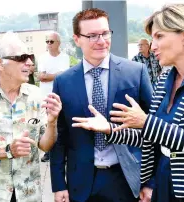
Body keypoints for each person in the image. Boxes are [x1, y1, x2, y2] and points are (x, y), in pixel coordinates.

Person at [72, 4, 184, 202]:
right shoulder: (166, 80)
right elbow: (151, 136)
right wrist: (110, 129)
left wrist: (145, 121)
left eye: (159, 36)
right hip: (166, 182)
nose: (153, 46)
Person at [50, 8, 153, 202]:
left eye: (105, 33)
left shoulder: (135, 72)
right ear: (77, 39)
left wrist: (150, 182)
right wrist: (58, 184)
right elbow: (60, 136)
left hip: (126, 179)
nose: (101, 40)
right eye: (92, 35)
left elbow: (153, 128)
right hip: (80, 182)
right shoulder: (63, 81)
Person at [0, 32, 62, 202]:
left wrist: (52, 123)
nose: (29, 62)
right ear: (0, 64)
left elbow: (45, 146)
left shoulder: (36, 96)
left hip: (29, 194)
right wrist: (7, 151)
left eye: (30, 57)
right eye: (22, 57)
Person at [38, 31, 70, 162]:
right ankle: (49, 152)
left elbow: (64, 76)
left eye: (51, 41)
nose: (49, 44)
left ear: (58, 43)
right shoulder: (42, 57)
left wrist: (48, 76)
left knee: (62, 123)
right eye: (47, 41)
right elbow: (41, 77)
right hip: (46, 96)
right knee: (47, 124)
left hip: (61, 95)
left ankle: (63, 150)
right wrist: (57, 75)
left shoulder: (65, 57)